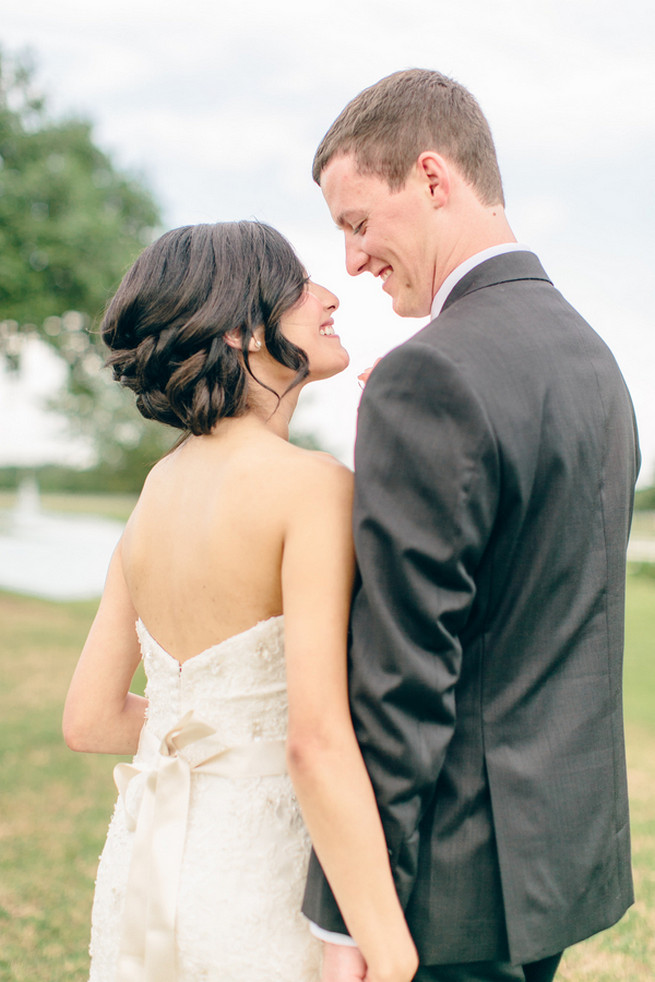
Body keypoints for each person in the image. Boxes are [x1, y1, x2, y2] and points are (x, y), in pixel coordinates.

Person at [302, 69, 640, 982]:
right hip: (559, 862)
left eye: (357, 221)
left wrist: (345, 923)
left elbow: (403, 673)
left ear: (431, 178)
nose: (350, 261)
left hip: (449, 890)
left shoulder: (430, 376)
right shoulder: (591, 358)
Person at [62, 221, 418, 982]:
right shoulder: (312, 488)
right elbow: (316, 740)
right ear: (241, 328)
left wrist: (209, 741)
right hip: (261, 876)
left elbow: (90, 719)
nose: (328, 296)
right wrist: (387, 951)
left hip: (149, 859)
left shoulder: (156, 490)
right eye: (299, 285)